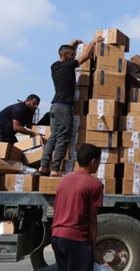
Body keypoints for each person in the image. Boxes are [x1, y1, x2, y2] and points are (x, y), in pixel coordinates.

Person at [52, 143, 106, 271]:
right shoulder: (94, 185)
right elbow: (92, 221)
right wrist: (94, 250)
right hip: (76, 240)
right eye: (99, 161)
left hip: (57, 237)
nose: (98, 165)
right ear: (93, 161)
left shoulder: (64, 180)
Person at [40, 36, 103, 177]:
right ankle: (55, 169)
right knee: (63, 138)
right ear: (66, 56)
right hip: (64, 107)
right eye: (73, 55)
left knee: (53, 137)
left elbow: (63, 49)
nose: (75, 56)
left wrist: (73, 42)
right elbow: (86, 56)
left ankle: (43, 167)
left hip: (54, 106)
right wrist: (93, 42)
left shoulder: (54, 66)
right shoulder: (69, 65)